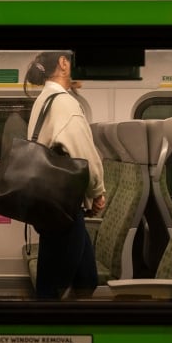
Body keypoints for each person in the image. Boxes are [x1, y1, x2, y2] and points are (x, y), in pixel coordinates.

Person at [24, 51, 106, 299]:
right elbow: (83, 154)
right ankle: (53, 335)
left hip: (50, 204)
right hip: (64, 206)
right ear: (63, 63)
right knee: (55, 287)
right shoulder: (63, 101)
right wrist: (97, 192)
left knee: (86, 279)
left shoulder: (43, 100)